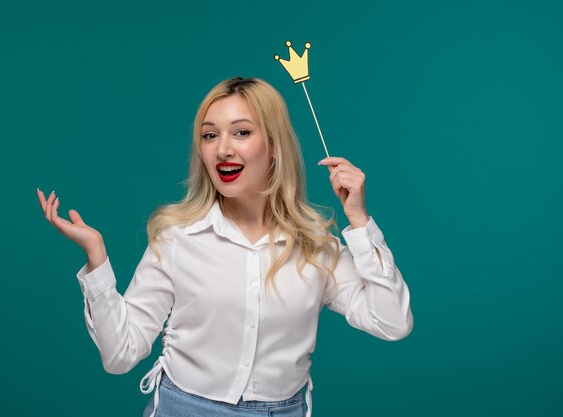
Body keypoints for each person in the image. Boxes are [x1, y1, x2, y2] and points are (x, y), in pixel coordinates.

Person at [37, 76, 413, 417]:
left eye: (242, 132)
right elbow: (120, 355)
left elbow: (392, 323)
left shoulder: (316, 246)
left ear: (275, 147)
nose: (222, 150)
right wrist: (97, 261)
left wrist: (360, 223)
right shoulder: (177, 238)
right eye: (210, 135)